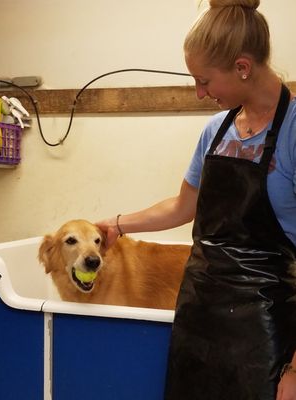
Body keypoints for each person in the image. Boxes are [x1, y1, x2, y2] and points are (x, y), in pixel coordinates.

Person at [96, 1, 296, 398]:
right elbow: (182, 207)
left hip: (265, 327)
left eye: (205, 81)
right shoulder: (215, 131)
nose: (199, 93)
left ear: (242, 67)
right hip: (199, 317)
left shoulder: (292, 131)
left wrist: (294, 368)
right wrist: (117, 224)